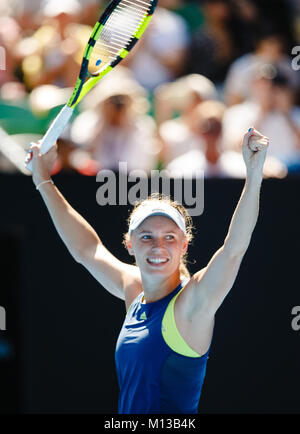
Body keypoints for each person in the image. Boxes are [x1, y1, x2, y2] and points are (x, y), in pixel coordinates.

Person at [25, 126, 269, 414]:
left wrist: (254, 176)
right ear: (129, 245)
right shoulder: (135, 290)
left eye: (169, 237)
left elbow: (234, 249)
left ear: (184, 246)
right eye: (146, 237)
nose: (158, 247)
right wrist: (43, 179)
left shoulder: (192, 304)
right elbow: (87, 250)